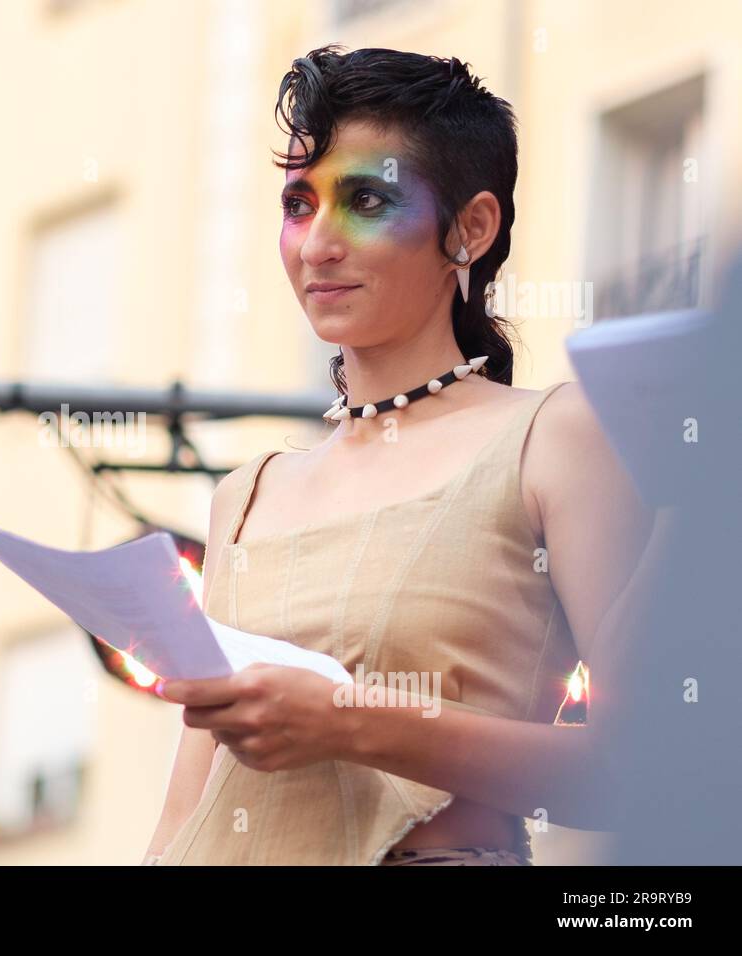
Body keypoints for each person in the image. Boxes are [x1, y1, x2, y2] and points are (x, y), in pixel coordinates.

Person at [141, 45, 654, 866]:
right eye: (299, 204)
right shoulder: (246, 493)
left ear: (470, 228)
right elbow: (187, 811)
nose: (316, 246)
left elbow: (650, 770)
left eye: (367, 200)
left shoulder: (553, 439)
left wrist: (349, 719)